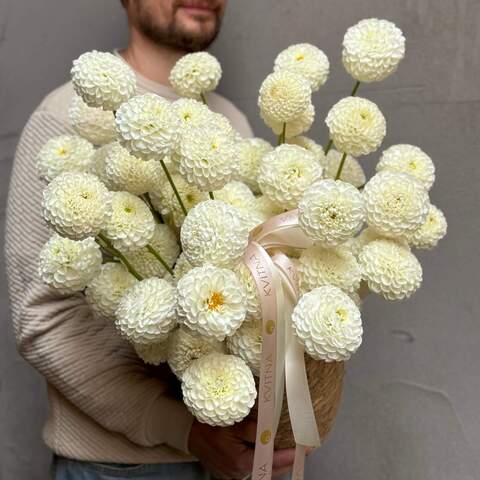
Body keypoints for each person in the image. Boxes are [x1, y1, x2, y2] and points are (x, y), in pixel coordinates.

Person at [5, 1, 296, 479]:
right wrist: (184, 430)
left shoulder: (230, 122)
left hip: (235, 457)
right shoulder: (68, 117)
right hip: (119, 469)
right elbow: (43, 320)